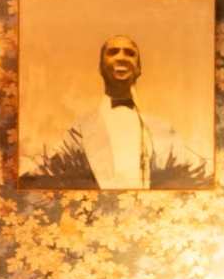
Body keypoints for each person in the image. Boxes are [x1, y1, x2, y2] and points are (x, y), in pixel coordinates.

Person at [66, 34, 174, 191]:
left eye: (130, 53)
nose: (121, 58)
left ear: (139, 69)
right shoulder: (79, 130)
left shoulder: (162, 129)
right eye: (113, 52)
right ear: (100, 67)